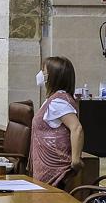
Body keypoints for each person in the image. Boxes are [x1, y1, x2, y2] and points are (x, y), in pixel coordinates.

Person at [30, 56, 85, 185]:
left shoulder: (58, 102)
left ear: (52, 76)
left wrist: (76, 160)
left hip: (55, 171)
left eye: (43, 71)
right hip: (45, 168)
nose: (40, 74)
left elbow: (77, 128)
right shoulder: (53, 99)